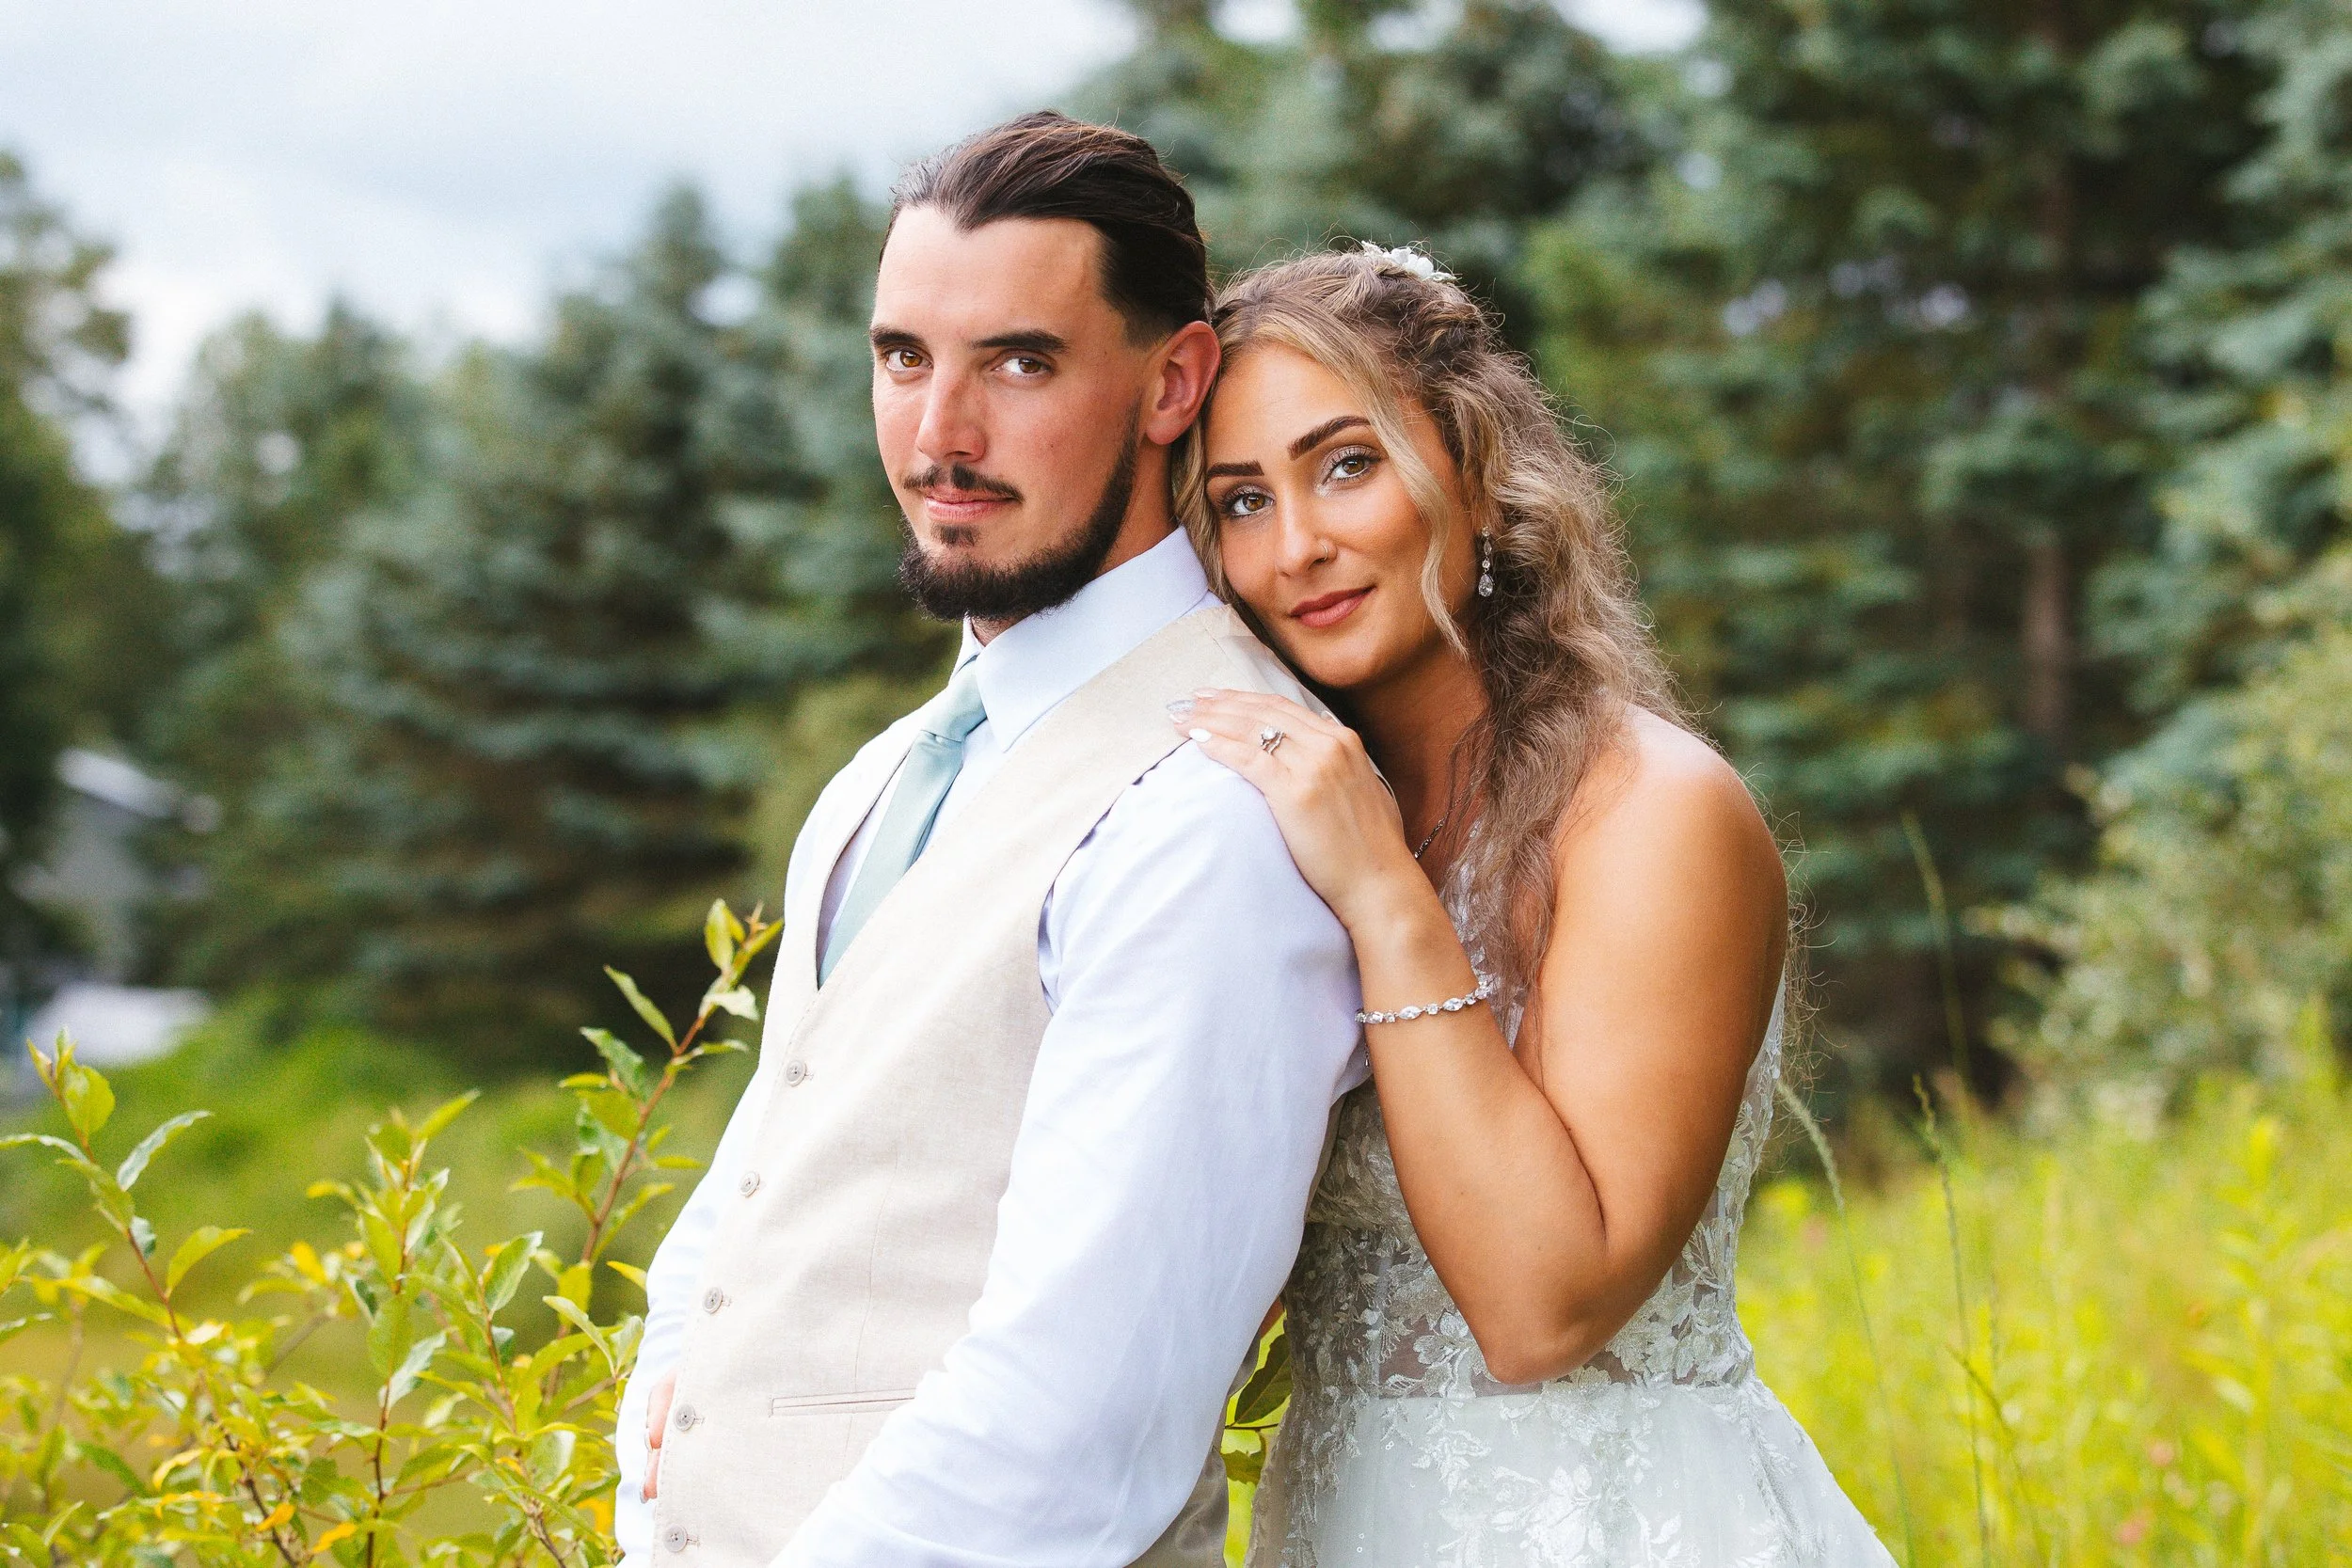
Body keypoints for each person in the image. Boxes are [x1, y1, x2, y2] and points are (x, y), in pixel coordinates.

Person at [611, 113, 1364, 1568]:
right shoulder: (883, 775)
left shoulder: (1214, 806)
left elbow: (1090, 1409)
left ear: (1173, 383)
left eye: (1020, 361)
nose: (940, 433)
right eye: (904, 357)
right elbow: (757, 1186)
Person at [1171, 245, 1896, 1566]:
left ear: (1479, 469)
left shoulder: (1653, 813)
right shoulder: (1263, 843)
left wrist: (1384, 889)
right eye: (1238, 502)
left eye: (1346, 463)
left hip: (1620, 1524)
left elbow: (1545, 1305)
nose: (1300, 543)